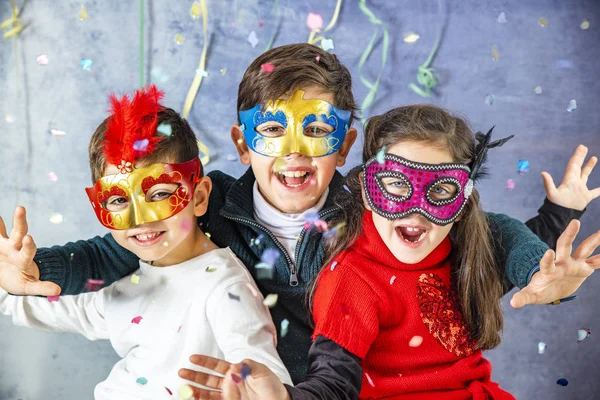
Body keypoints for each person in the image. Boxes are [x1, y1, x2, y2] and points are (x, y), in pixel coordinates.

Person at [0, 44, 597, 385]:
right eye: (270, 131)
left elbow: (482, 233)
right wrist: (34, 270)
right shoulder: (208, 211)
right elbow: (110, 253)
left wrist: (539, 265)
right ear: (241, 144)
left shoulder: (379, 200)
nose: (292, 152)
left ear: (343, 144)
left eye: (316, 130)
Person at [182, 105, 600, 400]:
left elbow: (510, 241)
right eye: (397, 185)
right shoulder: (353, 278)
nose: (416, 208)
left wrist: (557, 224)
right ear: (366, 189)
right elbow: (334, 381)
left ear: (462, 202)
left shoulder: (463, 254)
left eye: (439, 191)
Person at [0, 85, 291, 399]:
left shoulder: (225, 287)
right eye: (118, 200)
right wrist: (10, 280)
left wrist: (261, 389)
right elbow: (70, 307)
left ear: (200, 197)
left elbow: (260, 368)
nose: (141, 219)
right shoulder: (130, 277)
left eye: (162, 194)